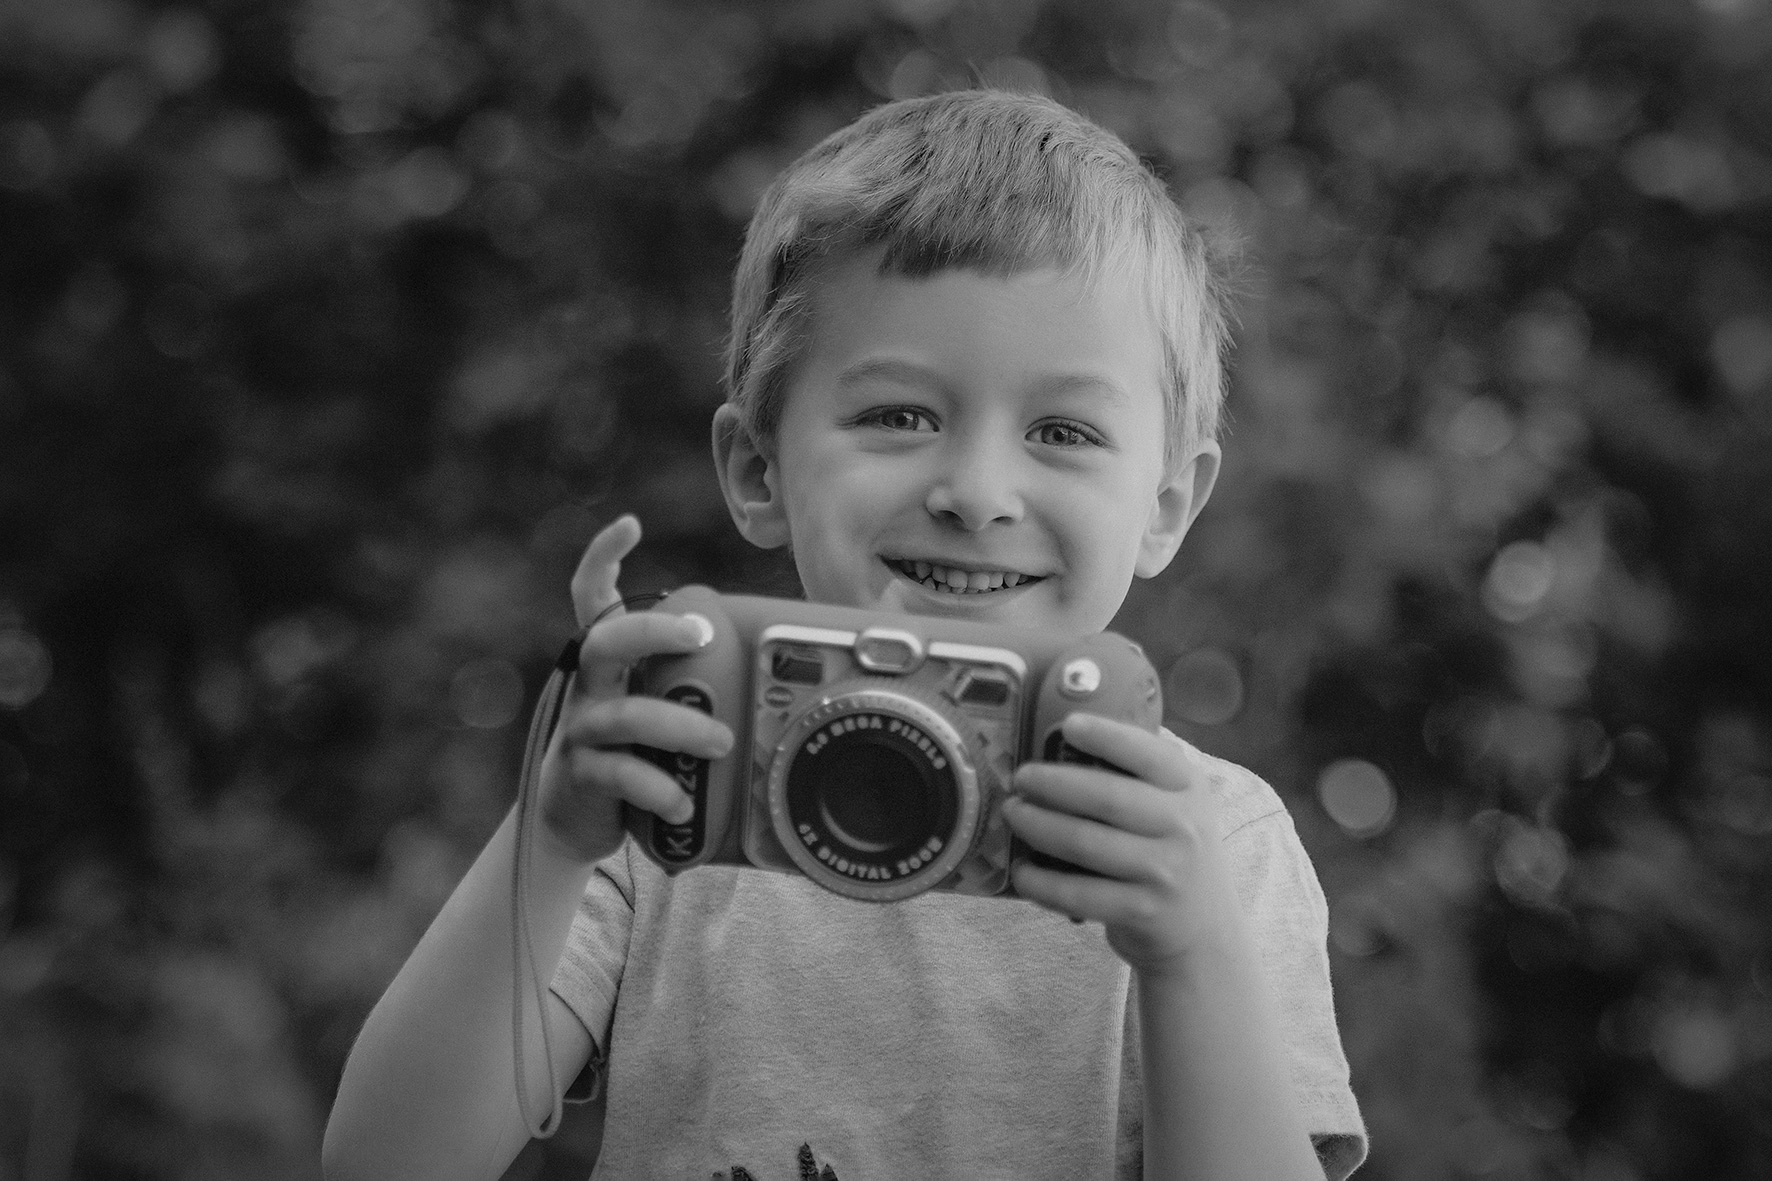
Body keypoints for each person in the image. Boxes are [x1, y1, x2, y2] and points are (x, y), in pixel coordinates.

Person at [323, 90, 1366, 1181]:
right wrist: (549, 843)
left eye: (1062, 430)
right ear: (755, 469)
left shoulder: (1203, 845)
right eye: (897, 415)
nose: (973, 490)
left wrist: (1187, 951)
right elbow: (381, 1162)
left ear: (1163, 504)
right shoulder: (676, 792)